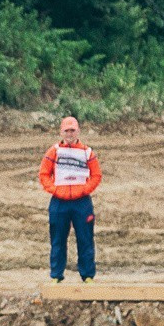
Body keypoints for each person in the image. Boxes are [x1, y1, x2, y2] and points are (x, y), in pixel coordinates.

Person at [39, 116, 101, 281]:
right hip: (59, 202)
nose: (69, 134)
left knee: (85, 239)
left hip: (82, 202)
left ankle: (88, 276)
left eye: (72, 130)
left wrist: (84, 190)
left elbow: (96, 175)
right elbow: (43, 174)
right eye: (66, 130)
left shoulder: (87, 152)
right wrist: (55, 190)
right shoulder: (54, 151)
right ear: (61, 132)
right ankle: (56, 276)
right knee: (58, 240)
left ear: (78, 131)